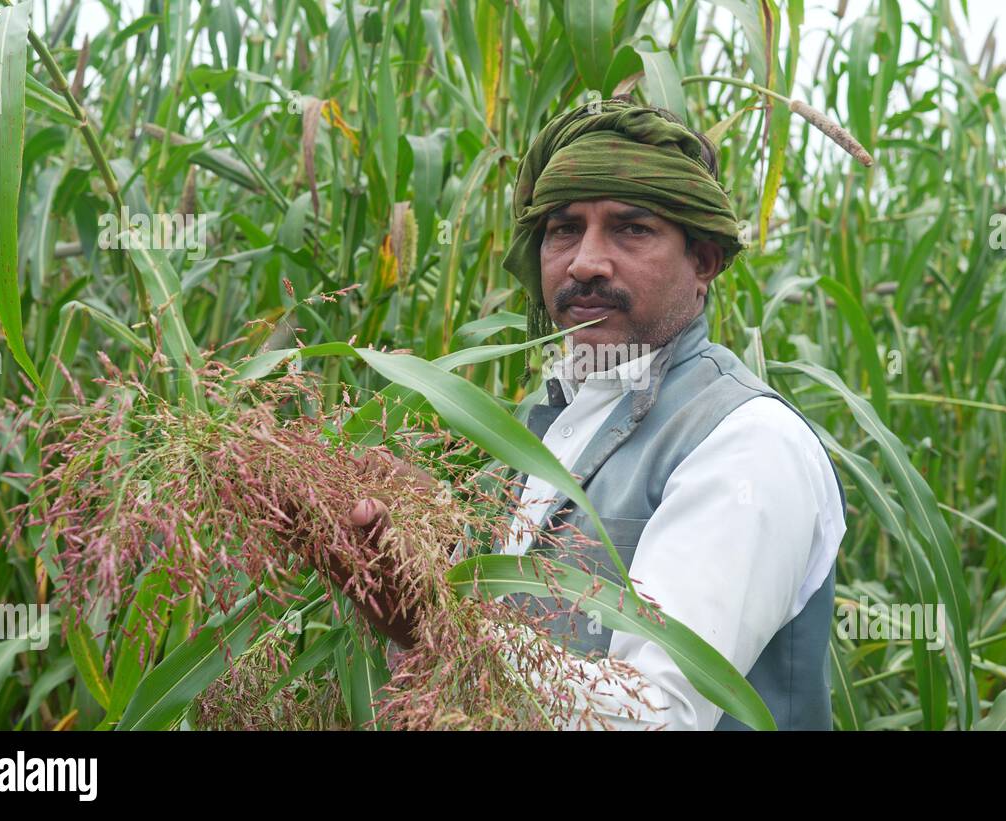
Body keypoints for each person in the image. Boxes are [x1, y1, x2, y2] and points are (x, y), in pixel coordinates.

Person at [345, 97, 847, 730]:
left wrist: (435, 621)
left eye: (631, 227)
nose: (584, 262)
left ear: (705, 261)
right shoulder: (547, 425)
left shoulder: (745, 443)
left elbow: (653, 714)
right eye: (563, 229)